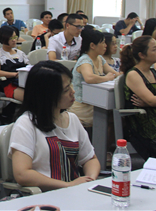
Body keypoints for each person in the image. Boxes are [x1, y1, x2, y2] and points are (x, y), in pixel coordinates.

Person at [9, 61, 100, 191]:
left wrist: (89, 180)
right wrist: (67, 185)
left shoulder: (72, 119)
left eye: (71, 85)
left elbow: (90, 159)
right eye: (66, 90)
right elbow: (22, 174)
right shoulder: (26, 124)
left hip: (73, 193)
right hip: (45, 196)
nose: (73, 91)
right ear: (47, 95)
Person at [70, 29, 120, 127]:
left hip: (94, 101)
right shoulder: (85, 60)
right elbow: (89, 78)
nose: (106, 46)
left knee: (114, 115)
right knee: (111, 118)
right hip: (83, 106)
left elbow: (113, 73)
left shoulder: (99, 58)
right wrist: (106, 78)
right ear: (92, 45)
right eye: (103, 43)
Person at [0, 26, 28, 102]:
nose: (14, 40)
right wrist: (14, 74)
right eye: (11, 38)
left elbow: (28, 66)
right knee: (32, 97)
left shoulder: (20, 53)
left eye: (15, 37)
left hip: (24, 82)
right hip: (10, 85)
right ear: (3, 38)